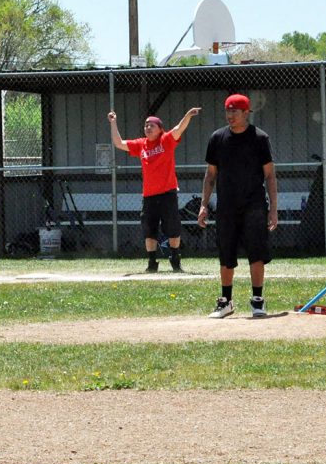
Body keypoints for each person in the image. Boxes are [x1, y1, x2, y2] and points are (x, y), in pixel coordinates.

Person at [197, 93, 278, 319]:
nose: (230, 115)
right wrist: (204, 205)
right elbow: (210, 175)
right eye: (228, 110)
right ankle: (226, 302)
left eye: (235, 111)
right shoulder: (217, 138)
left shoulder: (260, 138)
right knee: (226, 253)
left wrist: (273, 208)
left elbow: (270, 176)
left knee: (257, 253)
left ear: (246, 113)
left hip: (254, 205)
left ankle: (258, 301)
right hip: (227, 206)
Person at [108, 107, 201, 272]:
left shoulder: (166, 140)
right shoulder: (141, 145)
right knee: (149, 229)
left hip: (167, 193)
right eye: (146, 125)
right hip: (149, 195)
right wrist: (113, 122)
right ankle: (152, 263)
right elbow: (118, 143)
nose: (148, 128)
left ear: (160, 129)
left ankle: (175, 260)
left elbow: (179, 129)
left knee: (173, 228)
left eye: (152, 125)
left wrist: (187, 115)